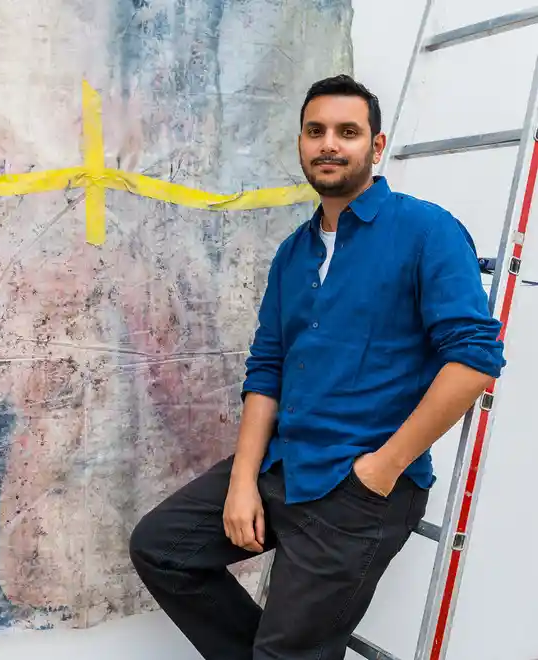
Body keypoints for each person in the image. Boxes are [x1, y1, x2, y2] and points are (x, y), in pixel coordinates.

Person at [128, 74, 506, 660]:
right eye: (316, 131)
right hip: (285, 464)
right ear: (302, 142)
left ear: (376, 146)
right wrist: (242, 481)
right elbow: (267, 368)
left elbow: (475, 360)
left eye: (347, 132)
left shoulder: (427, 231)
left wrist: (381, 469)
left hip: (361, 487)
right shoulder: (293, 252)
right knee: (161, 549)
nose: (329, 143)